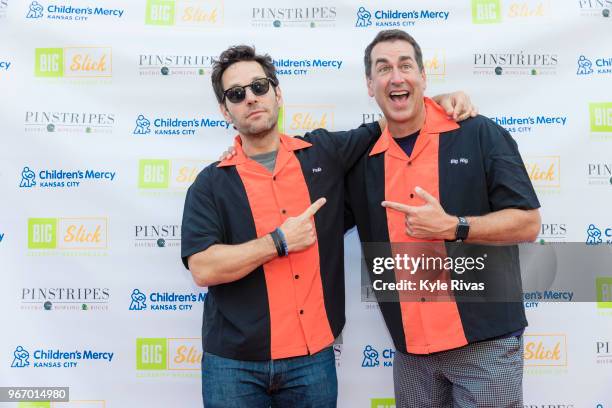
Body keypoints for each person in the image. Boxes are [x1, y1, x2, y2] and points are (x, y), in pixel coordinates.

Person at [181, 44, 475, 408]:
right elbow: (202, 267)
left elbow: (397, 118)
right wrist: (278, 242)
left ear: (277, 93)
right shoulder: (210, 184)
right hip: (233, 366)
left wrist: (440, 99)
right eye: (237, 94)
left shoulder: (322, 152)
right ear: (226, 110)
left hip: (313, 361)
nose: (251, 99)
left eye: (259, 87)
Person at [345, 29, 541, 407]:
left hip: (484, 347)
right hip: (411, 354)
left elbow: (528, 223)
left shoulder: (478, 133)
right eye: (383, 68)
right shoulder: (364, 159)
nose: (396, 76)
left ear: (423, 76)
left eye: (406, 65)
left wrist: (455, 227)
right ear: (370, 85)